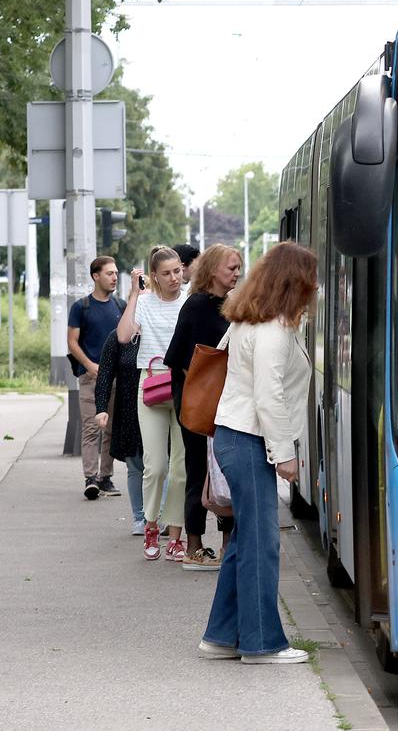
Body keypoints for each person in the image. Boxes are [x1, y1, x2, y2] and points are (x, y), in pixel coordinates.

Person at [199, 242, 315, 664]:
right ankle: (262, 643)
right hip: (249, 440)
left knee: (245, 541)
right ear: (295, 283)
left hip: (236, 437)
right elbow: (269, 397)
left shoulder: (250, 319)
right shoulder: (272, 330)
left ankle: (221, 636)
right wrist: (285, 455)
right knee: (262, 543)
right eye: (310, 281)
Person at [165, 244, 241, 571]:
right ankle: (194, 546)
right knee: (199, 469)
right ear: (212, 271)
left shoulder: (235, 304)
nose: (237, 273)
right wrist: (207, 389)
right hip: (200, 402)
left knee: (227, 472)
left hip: (227, 400)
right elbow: (180, 358)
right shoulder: (195, 306)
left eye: (239, 267)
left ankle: (227, 546)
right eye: (231, 268)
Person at [117, 246, 189, 561]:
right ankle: (150, 524)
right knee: (155, 466)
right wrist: (134, 294)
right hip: (151, 384)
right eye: (167, 273)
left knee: (181, 468)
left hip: (184, 385)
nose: (175, 278)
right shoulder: (144, 303)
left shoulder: (189, 301)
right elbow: (123, 336)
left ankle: (175, 535)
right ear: (155, 277)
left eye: (178, 271)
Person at [67, 256, 125, 499]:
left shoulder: (121, 306)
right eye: (109, 273)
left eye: (115, 273)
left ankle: (105, 477)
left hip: (116, 378)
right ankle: (90, 478)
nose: (114, 277)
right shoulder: (82, 307)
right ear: (96, 276)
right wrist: (89, 365)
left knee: (111, 428)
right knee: (92, 427)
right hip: (90, 376)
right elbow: (72, 342)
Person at [94, 329, 145, 534]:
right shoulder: (119, 336)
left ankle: (161, 516)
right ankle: (140, 518)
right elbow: (105, 371)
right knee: (135, 466)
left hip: (160, 405)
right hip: (128, 410)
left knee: (161, 465)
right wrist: (101, 408)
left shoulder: (165, 326)